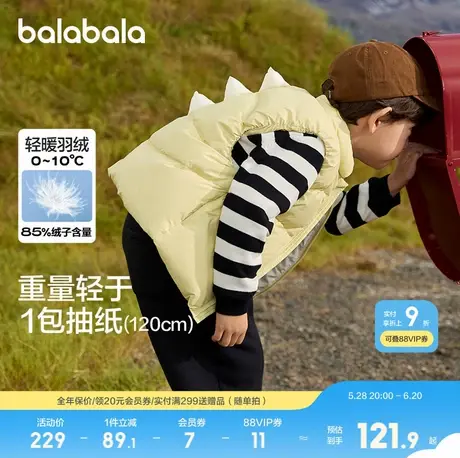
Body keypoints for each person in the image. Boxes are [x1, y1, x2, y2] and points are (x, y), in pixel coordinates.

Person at [109, 40, 440, 391]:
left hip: (164, 236)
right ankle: (224, 426)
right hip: (174, 247)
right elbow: (247, 210)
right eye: (409, 130)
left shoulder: (311, 132)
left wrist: (392, 184)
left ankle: (214, 419)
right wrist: (233, 305)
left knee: (212, 363)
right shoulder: (307, 148)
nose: (408, 142)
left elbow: (327, 217)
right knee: (229, 369)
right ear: (379, 119)